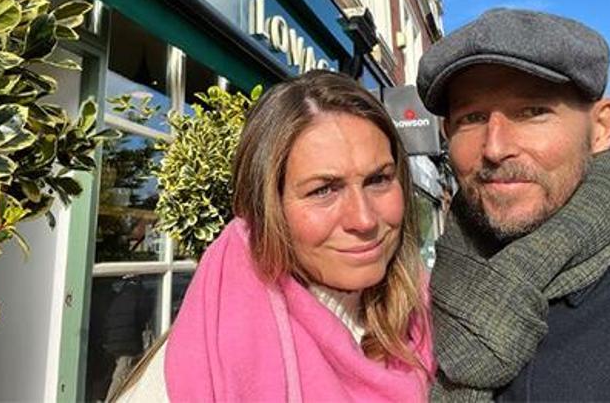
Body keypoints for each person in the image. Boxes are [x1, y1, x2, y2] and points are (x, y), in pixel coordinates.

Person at [114, 70, 435, 402]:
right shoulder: (202, 369)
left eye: (378, 180)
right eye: (323, 190)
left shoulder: (427, 315)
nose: (364, 219)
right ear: (268, 208)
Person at [416, 8, 610, 401]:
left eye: (532, 112)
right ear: (447, 133)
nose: (495, 148)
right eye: (472, 118)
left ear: (601, 127)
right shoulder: (412, 309)